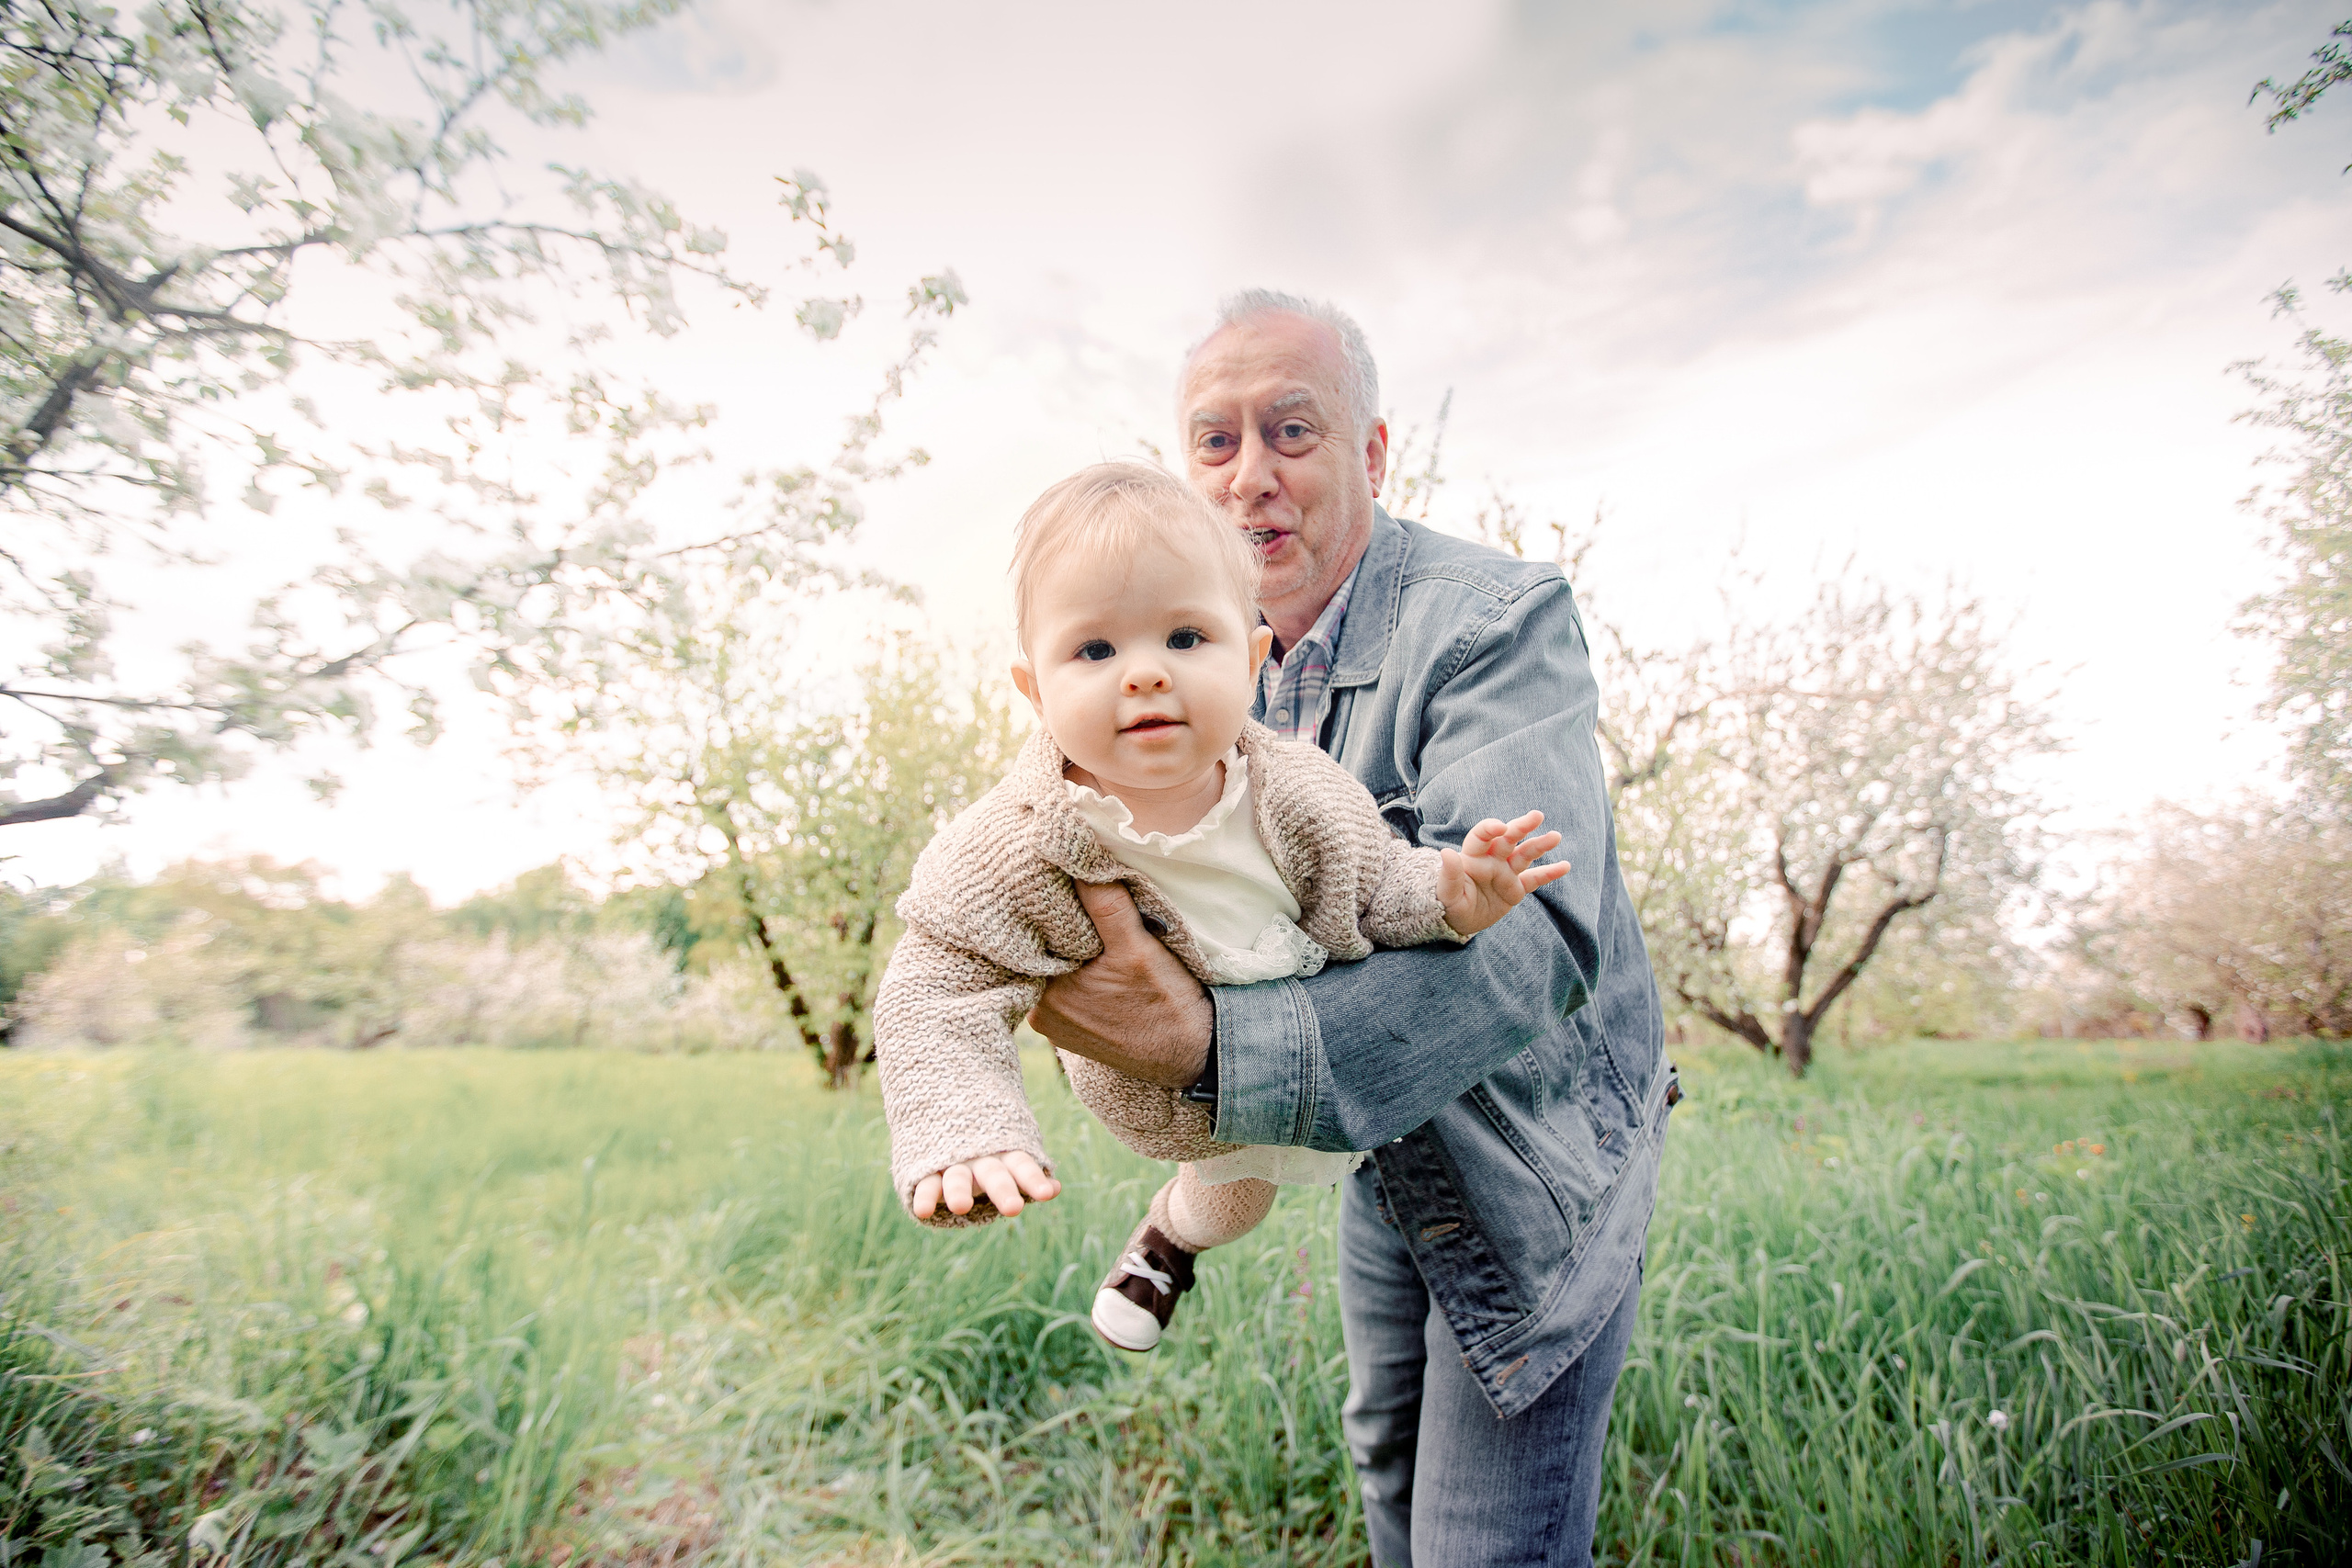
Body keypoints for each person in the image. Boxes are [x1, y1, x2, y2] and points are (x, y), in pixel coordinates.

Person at [1027, 290, 1675, 1568]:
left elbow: (1530, 943)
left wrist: (1212, 1048)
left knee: (1481, 1539)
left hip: (1540, 1152)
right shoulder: (1208, 659)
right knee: (1385, 1449)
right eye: (1213, 441)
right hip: (1385, 1141)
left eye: (1293, 429)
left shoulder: (1494, 619)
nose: (1249, 474)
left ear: (1372, 453)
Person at [869, 461, 1570, 1356]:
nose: (1145, 676)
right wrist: (962, 1127)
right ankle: (1168, 1237)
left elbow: (1373, 884)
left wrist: (1452, 893)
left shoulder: (1301, 794)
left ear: (1249, 659)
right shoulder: (1013, 844)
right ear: (1035, 691)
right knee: (1234, 1198)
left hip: (1318, 1046)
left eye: (1185, 638)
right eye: (1094, 651)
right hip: (1188, 1102)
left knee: (1311, 1168)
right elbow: (938, 984)